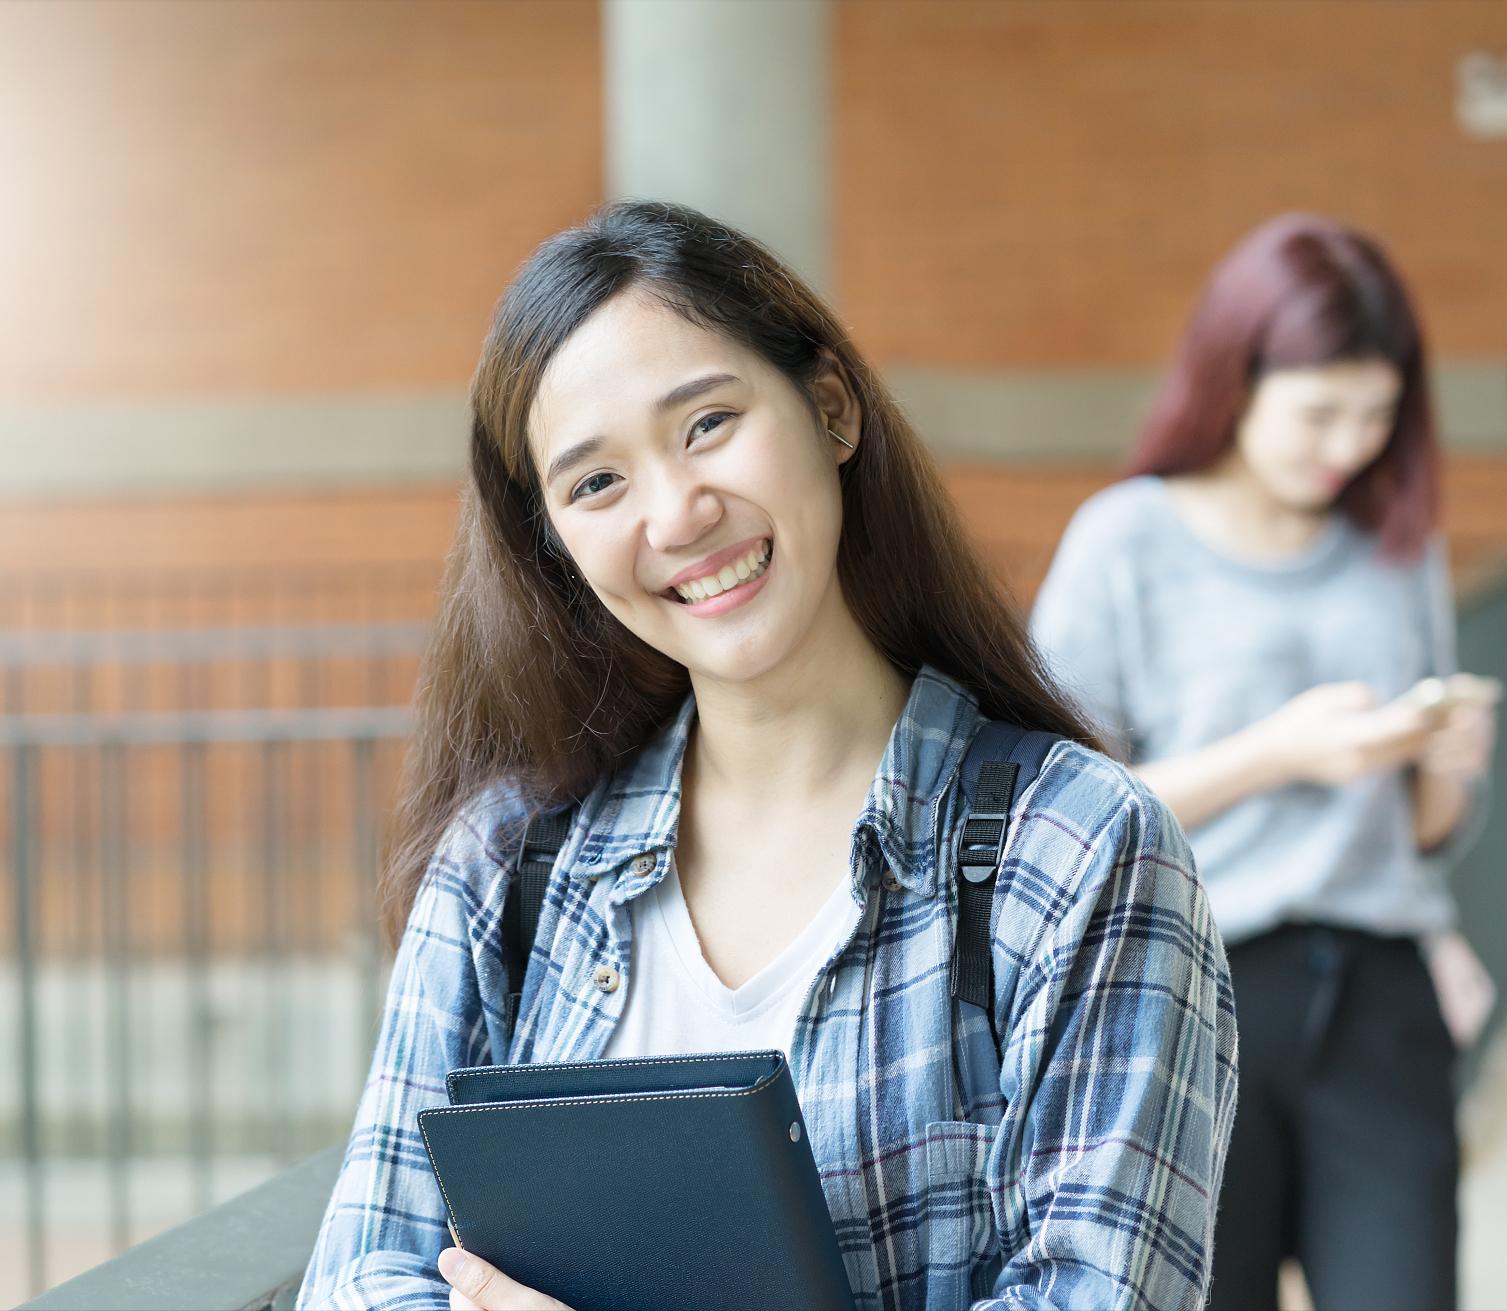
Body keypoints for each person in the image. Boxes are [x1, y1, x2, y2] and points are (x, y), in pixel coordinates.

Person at [298, 202, 1237, 1311]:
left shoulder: (1077, 852)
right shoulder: (507, 868)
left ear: (829, 407)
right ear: (553, 545)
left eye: (706, 425)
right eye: (596, 483)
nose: (679, 513)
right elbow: (362, 1276)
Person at [1031, 214, 1496, 1311]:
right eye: (1319, 412)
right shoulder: (1124, 541)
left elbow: (1423, 831)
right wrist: (1276, 754)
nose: (1346, 446)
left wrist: (1444, 767)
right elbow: (1057, 815)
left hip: (1380, 998)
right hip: (1189, 991)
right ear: (1236, 375)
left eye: (1376, 416)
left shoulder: (1396, 547)